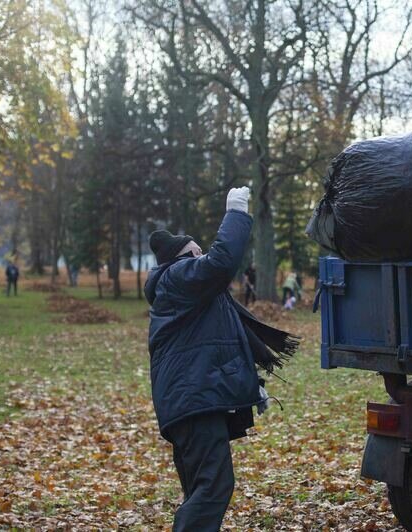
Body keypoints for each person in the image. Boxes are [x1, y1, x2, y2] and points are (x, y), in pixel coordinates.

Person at [144, 187, 267, 532]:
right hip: (192, 402)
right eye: (197, 250)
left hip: (188, 402)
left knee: (201, 488)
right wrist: (236, 212)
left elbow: (215, 340)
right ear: (186, 254)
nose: (203, 254)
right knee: (214, 487)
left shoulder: (181, 288)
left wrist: (250, 382)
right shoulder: (181, 276)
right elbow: (222, 262)